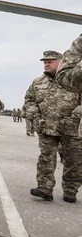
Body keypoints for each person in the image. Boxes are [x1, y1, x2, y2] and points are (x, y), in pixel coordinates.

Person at [26, 50, 82, 203]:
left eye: (50, 61)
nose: (46, 63)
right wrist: (34, 115)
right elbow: (30, 100)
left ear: (61, 62)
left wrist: (75, 116)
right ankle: (45, 188)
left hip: (71, 127)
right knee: (46, 158)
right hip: (47, 127)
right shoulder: (38, 82)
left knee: (74, 160)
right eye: (45, 61)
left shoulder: (74, 80)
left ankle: (70, 190)